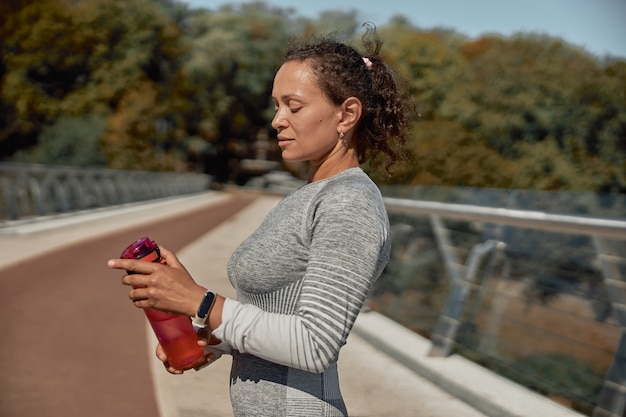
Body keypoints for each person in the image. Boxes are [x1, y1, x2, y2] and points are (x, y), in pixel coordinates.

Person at [108, 24, 411, 417]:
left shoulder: (349, 203)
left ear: (347, 114)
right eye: (276, 106)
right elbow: (279, 321)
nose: (277, 121)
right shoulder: (308, 196)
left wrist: (199, 300)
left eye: (294, 107)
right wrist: (210, 339)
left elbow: (315, 344)